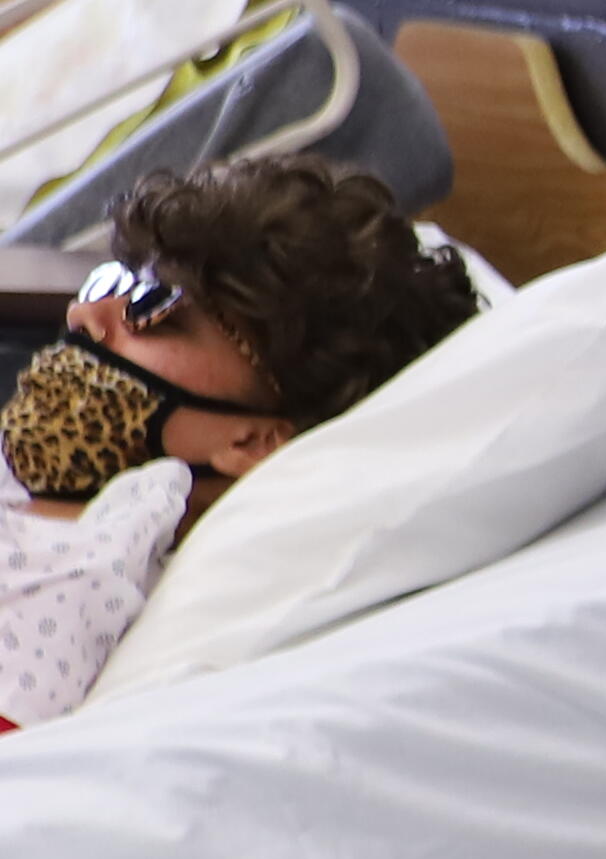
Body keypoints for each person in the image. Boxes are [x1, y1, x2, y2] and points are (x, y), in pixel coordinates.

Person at [0, 158, 483, 722]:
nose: (84, 313)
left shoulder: (70, 579)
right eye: (106, 283)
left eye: (154, 308)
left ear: (254, 440)